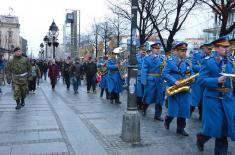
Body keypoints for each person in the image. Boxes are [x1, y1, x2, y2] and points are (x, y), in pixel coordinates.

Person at [196, 36, 235, 155]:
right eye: (224, 47)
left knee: (224, 126)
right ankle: (201, 138)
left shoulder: (231, 61)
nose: (226, 49)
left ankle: (219, 152)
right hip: (212, 98)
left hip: (228, 98)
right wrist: (216, 80)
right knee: (216, 125)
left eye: (227, 47)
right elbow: (201, 81)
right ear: (217, 48)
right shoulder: (208, 61)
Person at [162, 42, 192, 136]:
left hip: (184, 89)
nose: (184, 53)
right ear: (177, 51)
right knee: (173, 110)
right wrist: (175, 81)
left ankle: (181, 128)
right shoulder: (171, 61)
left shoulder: (188, 62)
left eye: (185, 51)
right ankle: (167, 120)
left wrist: (192, 79)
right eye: (182, 51)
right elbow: (165, 74)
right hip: (174, 88)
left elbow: (190, 73)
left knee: (184, 110)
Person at [141, 42, 164, 121]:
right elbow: (144, 70)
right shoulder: (147, 58)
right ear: (152, 49)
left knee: (160, 98)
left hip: (159, 80)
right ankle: (144, 109)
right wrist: (144, 81)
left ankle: (157, 115)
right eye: (156, 48)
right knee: (148, 97)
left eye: (159, 49)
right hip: (150, 80)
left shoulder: (162, 58)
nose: (158, 50)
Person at [190, 43, 213, 120]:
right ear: (204, 48)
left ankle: (202, 116)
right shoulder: (197, 55)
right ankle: (188, 113)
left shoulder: (212, 56)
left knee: (203, 98)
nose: (210, 50)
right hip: (197, 79)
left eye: (210, 49)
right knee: (195, 98)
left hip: (207, 80)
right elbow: (192, 65)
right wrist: (203, 69)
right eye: (208, 49)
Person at [136, 45, 146, 110]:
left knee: (144, 92)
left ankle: (142, 105)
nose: (143, 52)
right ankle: (138, 104)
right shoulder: (136, 57)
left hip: (145, 76)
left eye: (144, 51)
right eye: (142, 51)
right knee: (139, 92)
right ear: (139, 51)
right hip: (138, 76)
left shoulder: (147, 58)